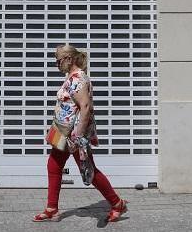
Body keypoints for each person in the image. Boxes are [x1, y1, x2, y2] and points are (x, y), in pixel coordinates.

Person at [33, 44, 128, 223]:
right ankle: (52, 208)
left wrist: (78, 135)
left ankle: (117, 203)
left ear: (69, 59)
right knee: (53, 165)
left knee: (89, 171)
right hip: (62, 131)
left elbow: (85, 107)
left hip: (73, 135)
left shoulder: (78, 79)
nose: (56, 64)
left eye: (58, 60)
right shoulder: (71, 77)